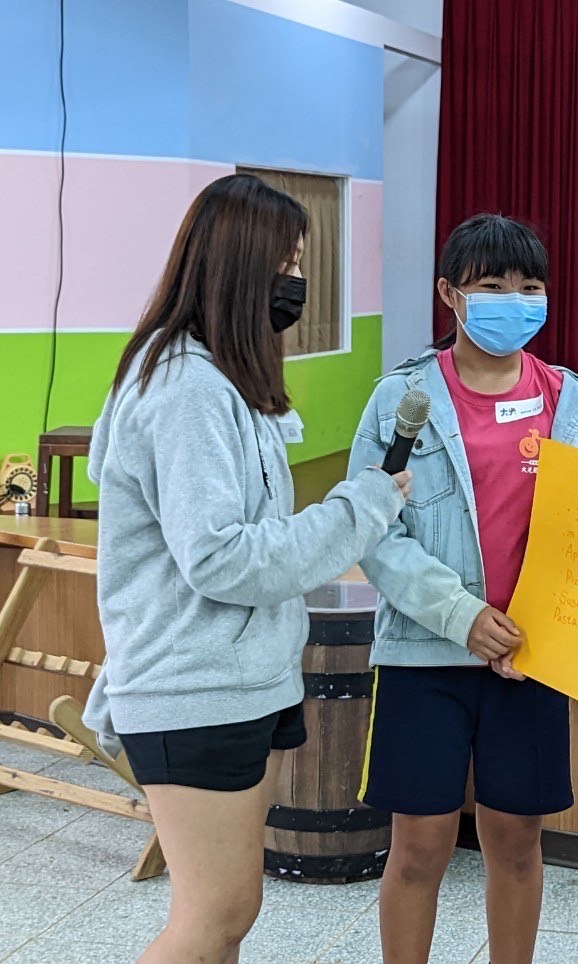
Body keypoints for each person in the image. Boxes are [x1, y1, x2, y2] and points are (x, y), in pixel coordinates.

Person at [84, 173, 411, 963]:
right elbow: (222, 558)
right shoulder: (186, 389)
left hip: (239, 680)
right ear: (236, 267)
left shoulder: (222, 378)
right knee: (214, 916)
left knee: (229, 914)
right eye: (285, 263)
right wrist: (360, 507)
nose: (296, 282)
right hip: (191, 689)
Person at [348, 213, 578, 964]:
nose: (514, 301)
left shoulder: (573, 404)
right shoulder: (399, 401)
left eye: (529, 287)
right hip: (422, 656)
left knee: (517, 843)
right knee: (419, 846)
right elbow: (373, 528)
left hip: (530, 659)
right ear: (449, 294)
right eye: (492, 285)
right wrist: (461, 615)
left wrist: (542, 627)